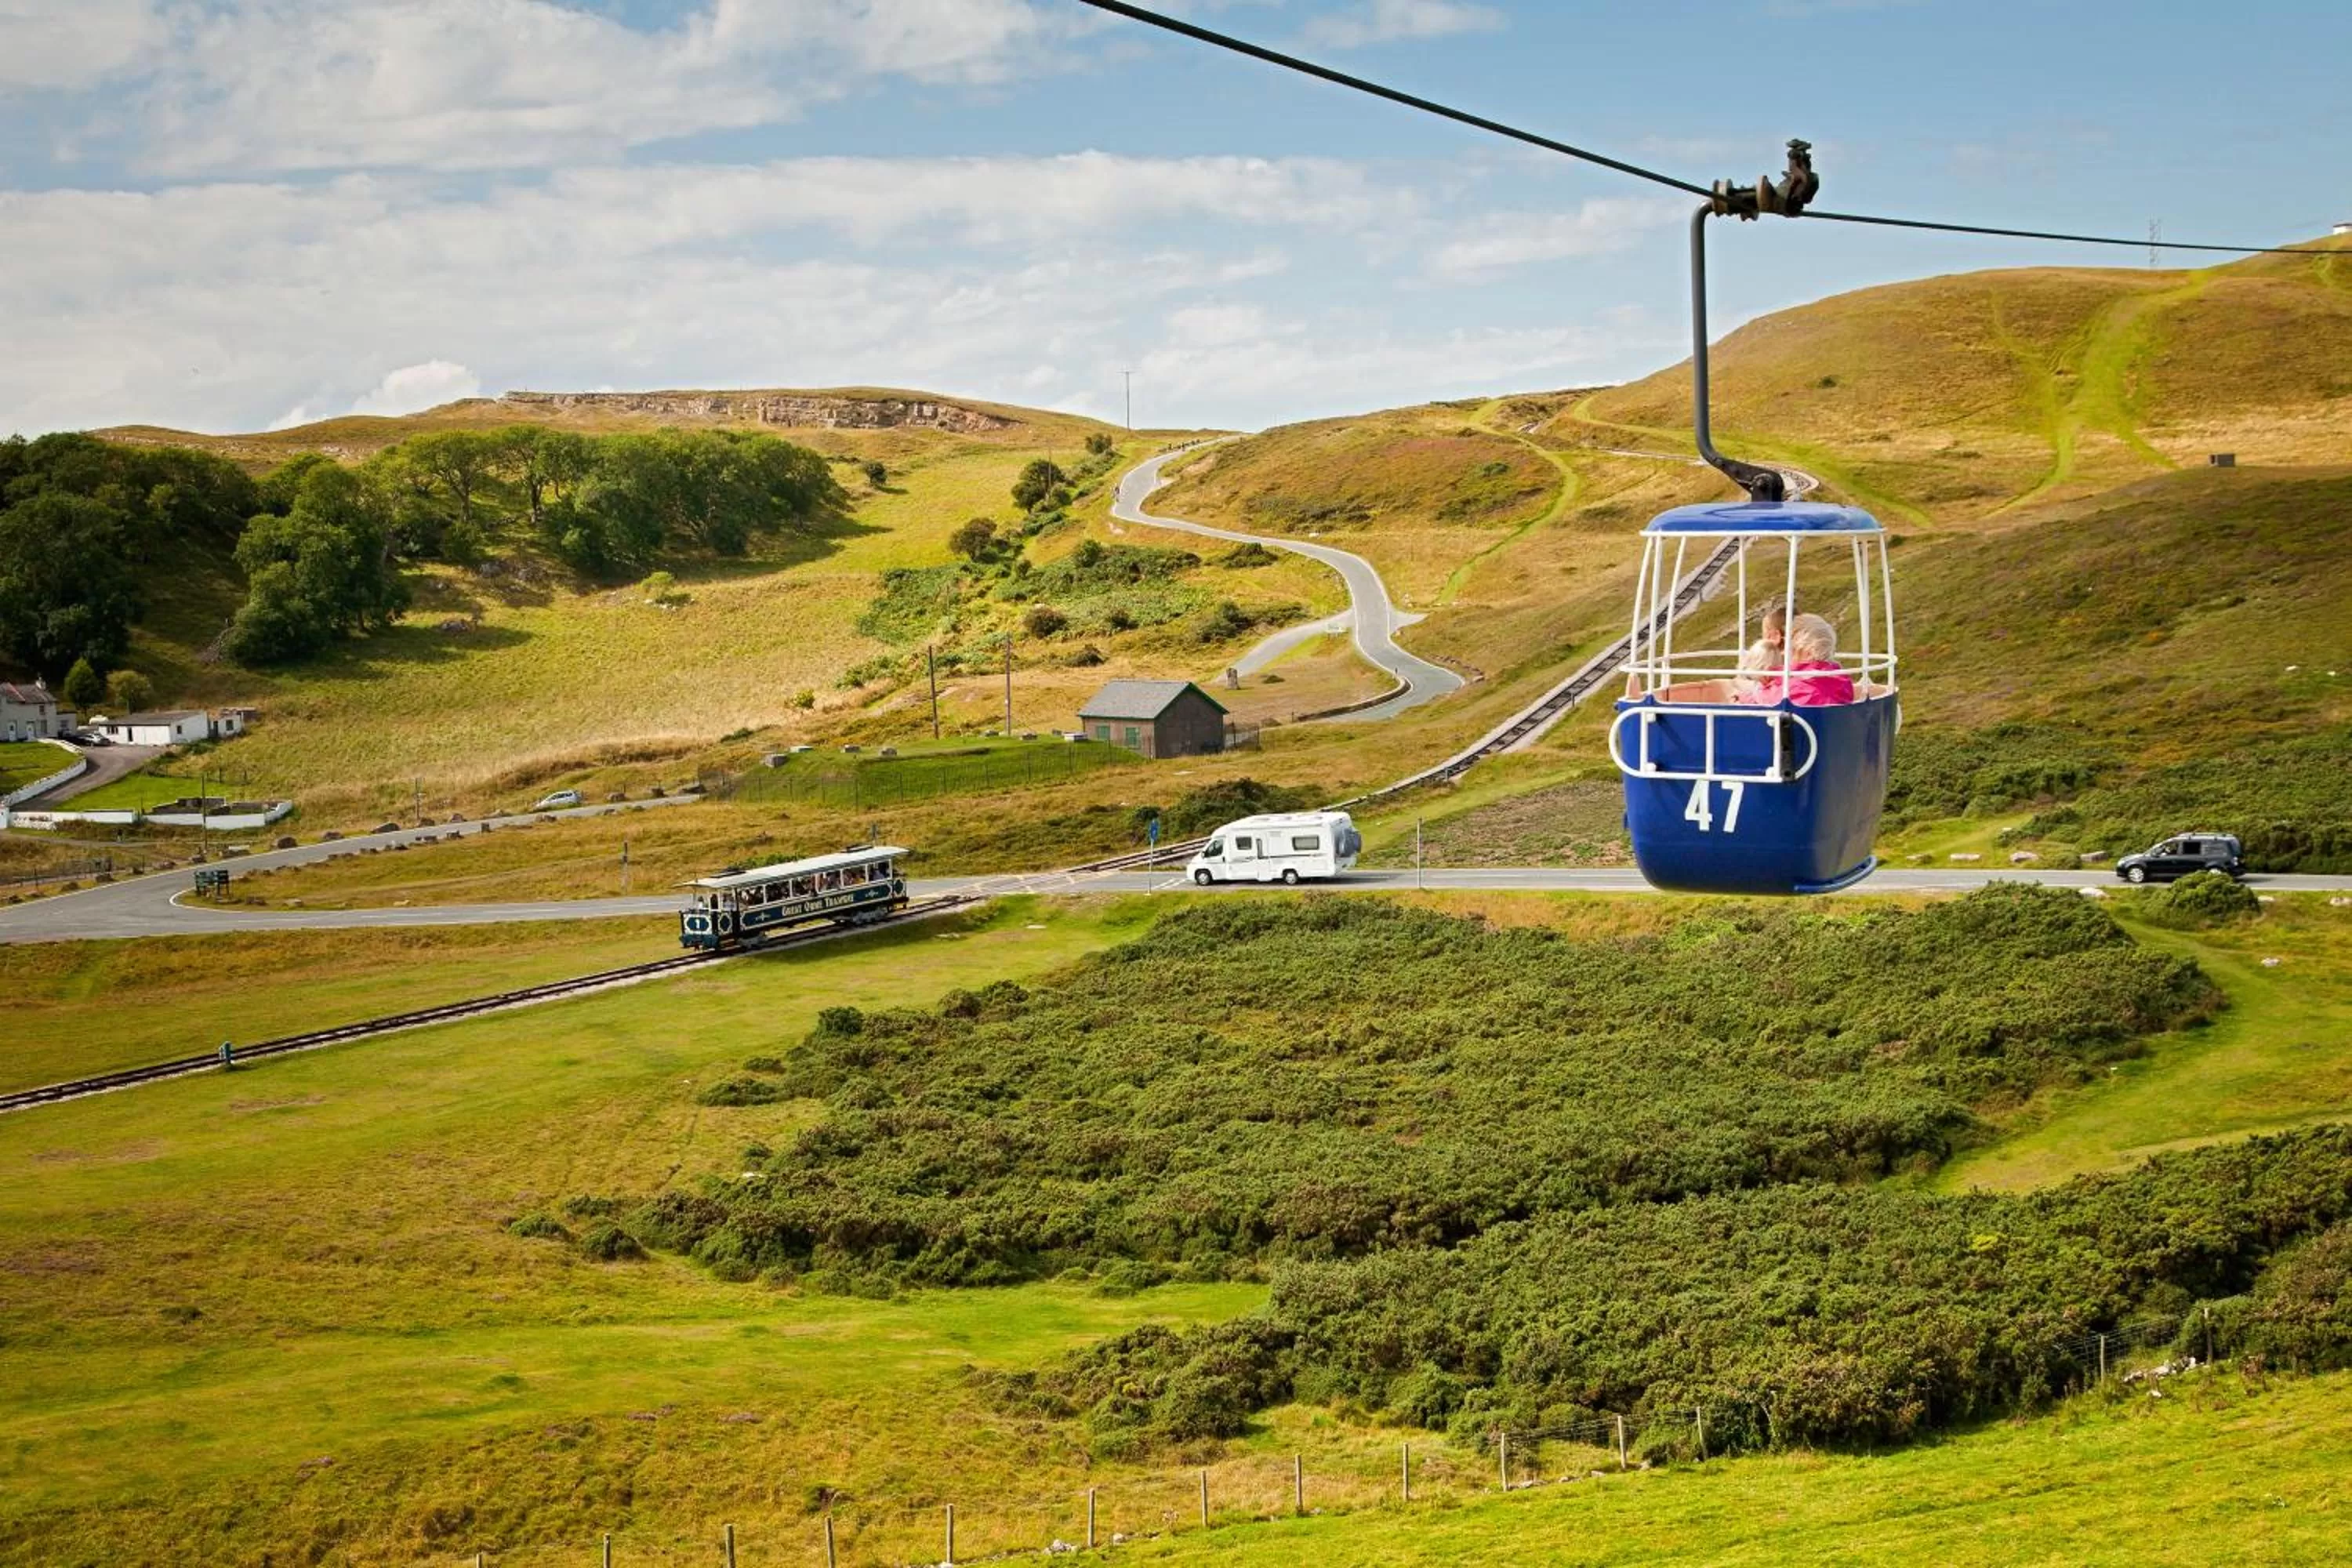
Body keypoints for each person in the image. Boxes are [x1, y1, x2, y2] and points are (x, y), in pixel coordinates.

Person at [1737, 613, 1854, 707]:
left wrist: (1743, 697)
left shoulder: (1793, 689)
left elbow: (1764, 699)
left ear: (1801, 648)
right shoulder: (1842, 681)